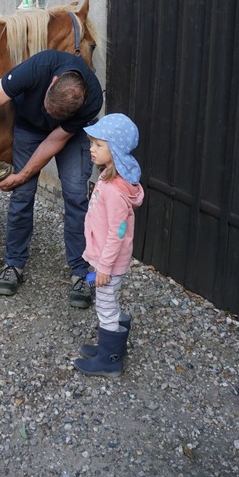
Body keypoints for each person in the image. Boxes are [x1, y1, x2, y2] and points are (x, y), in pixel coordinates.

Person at [0, 49, 103, 307]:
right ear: (52, 82)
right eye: (47, 108)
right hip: (29, 127)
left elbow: (54, 140)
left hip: (68, 136)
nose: (49, 115)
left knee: (75, 195)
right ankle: (14, 264)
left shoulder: (91, 99)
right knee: (23, 195)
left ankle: (80, 270)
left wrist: (22, 174)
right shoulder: (38, 67)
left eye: (55, 114)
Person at [73, 114, 144, 379]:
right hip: (105, 259)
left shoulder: (114, 191)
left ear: (114, 151)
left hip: (109, 263)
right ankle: (110, 347)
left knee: (106, 307)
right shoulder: (108, 177)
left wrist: (103, 267)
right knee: (108, 302)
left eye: (99, 145)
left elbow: (117, 233)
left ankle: (109, 360)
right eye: (92, 143)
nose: (92, 148)